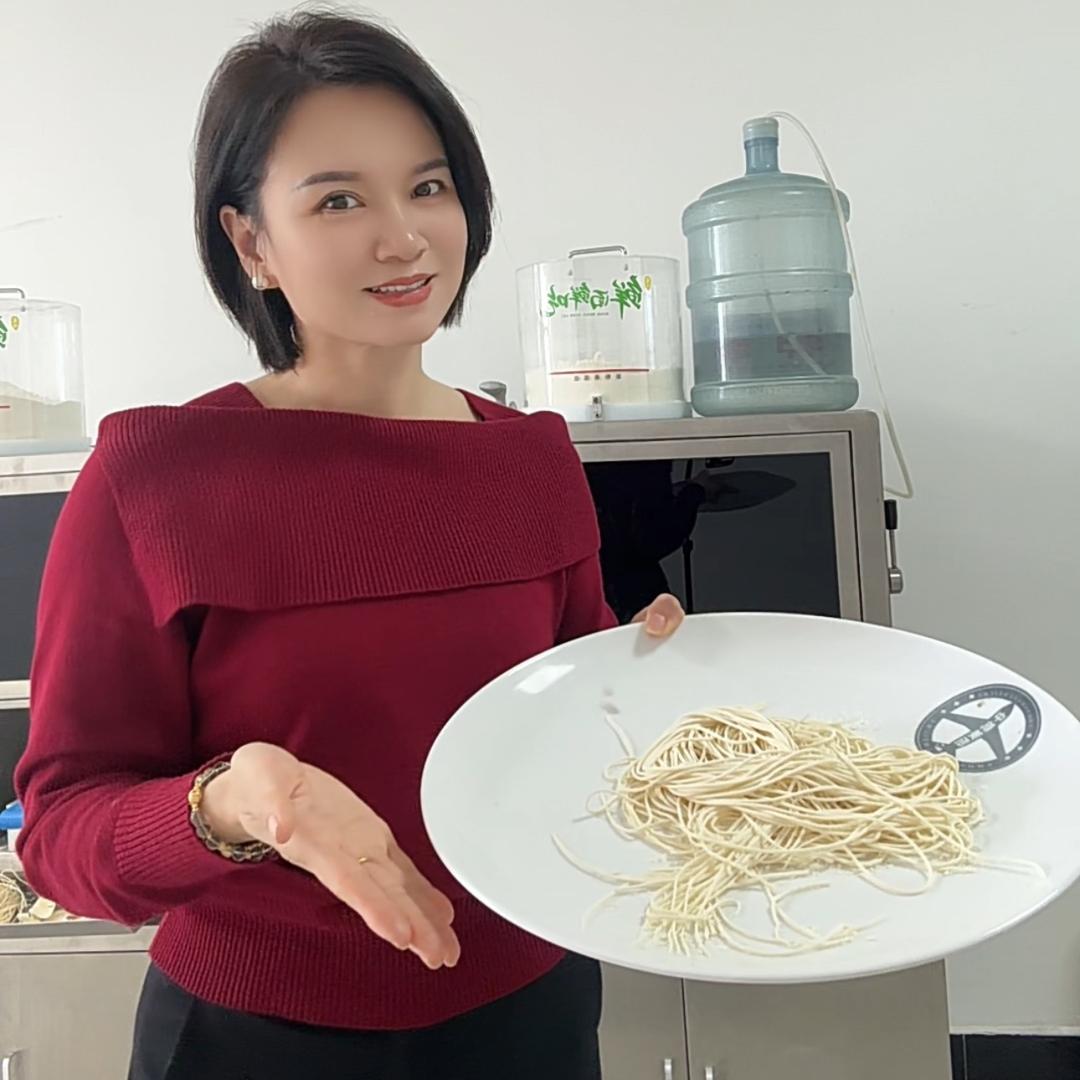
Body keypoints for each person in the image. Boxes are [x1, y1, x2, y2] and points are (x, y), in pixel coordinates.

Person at [14, 10, 685, 1080]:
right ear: (250, 243)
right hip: (251, 1037)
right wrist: (235, 800)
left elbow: (564, 726)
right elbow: (59, 834)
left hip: (529, 1011)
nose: (405, 236)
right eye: (339, 199)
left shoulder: (530, 457)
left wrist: (637, 677)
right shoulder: (152, 477)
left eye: (428, 187)